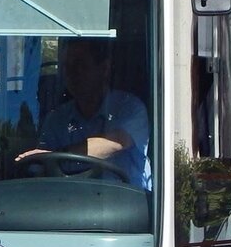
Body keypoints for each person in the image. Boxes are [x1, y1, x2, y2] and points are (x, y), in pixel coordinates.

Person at [16, 37, 151, 190]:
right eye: (67, 67)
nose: (72, 73)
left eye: (80, 65)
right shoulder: (57, 119)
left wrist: (58, 155)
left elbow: (115, 143)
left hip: (125, 201)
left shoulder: (130, 108)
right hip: (67, 201)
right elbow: (40, 168)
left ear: (104, 69)